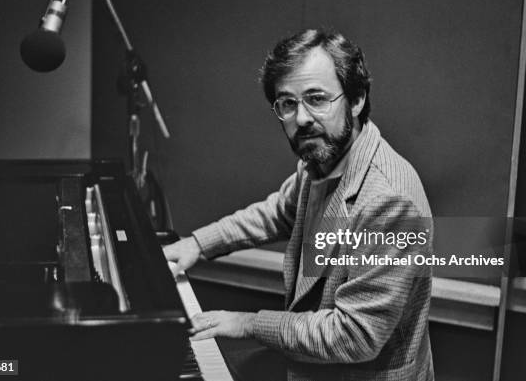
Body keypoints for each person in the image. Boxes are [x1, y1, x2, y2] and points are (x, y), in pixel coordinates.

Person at [164, 28, 434, 381]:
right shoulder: (322, 160)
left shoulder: (389, 200)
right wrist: (197, 244)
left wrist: (248, 323)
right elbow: (277, 211)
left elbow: (355, 336)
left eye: (317, 98)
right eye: (288, 103)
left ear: (356, 99)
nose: (302, 118)